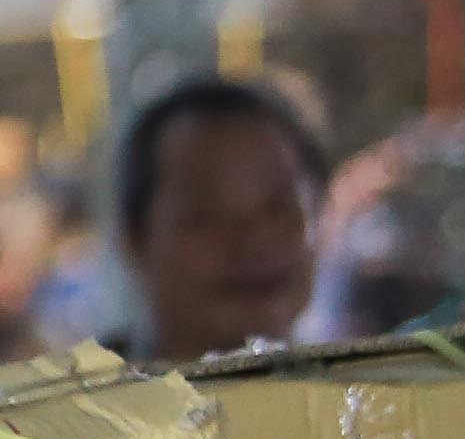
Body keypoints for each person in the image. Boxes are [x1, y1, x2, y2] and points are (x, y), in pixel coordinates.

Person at [116, 73, 326, 364]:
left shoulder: (369, 399)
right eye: (205, 216)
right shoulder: (80, 405)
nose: (253, 240)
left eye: (278, 207)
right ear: (136, 241)